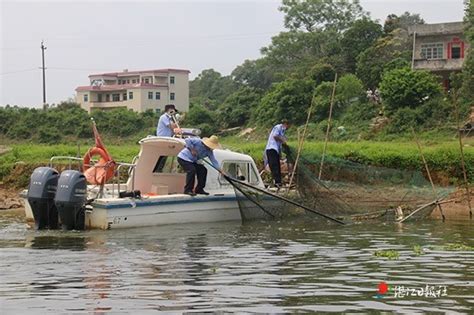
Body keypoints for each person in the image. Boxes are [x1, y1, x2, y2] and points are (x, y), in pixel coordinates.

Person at [265, 119, 290, 187]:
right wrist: (283, 140)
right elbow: (275, 136)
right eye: (288, 126)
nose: (288, 128)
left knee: (277, 166)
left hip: (275, 150)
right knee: (274, 166)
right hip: (271, 149)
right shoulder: (278, 127)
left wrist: (280, 154)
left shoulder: (282, 131)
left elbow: (279, 144)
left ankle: (278, 182)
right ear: (285, 124)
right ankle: (276, 182)